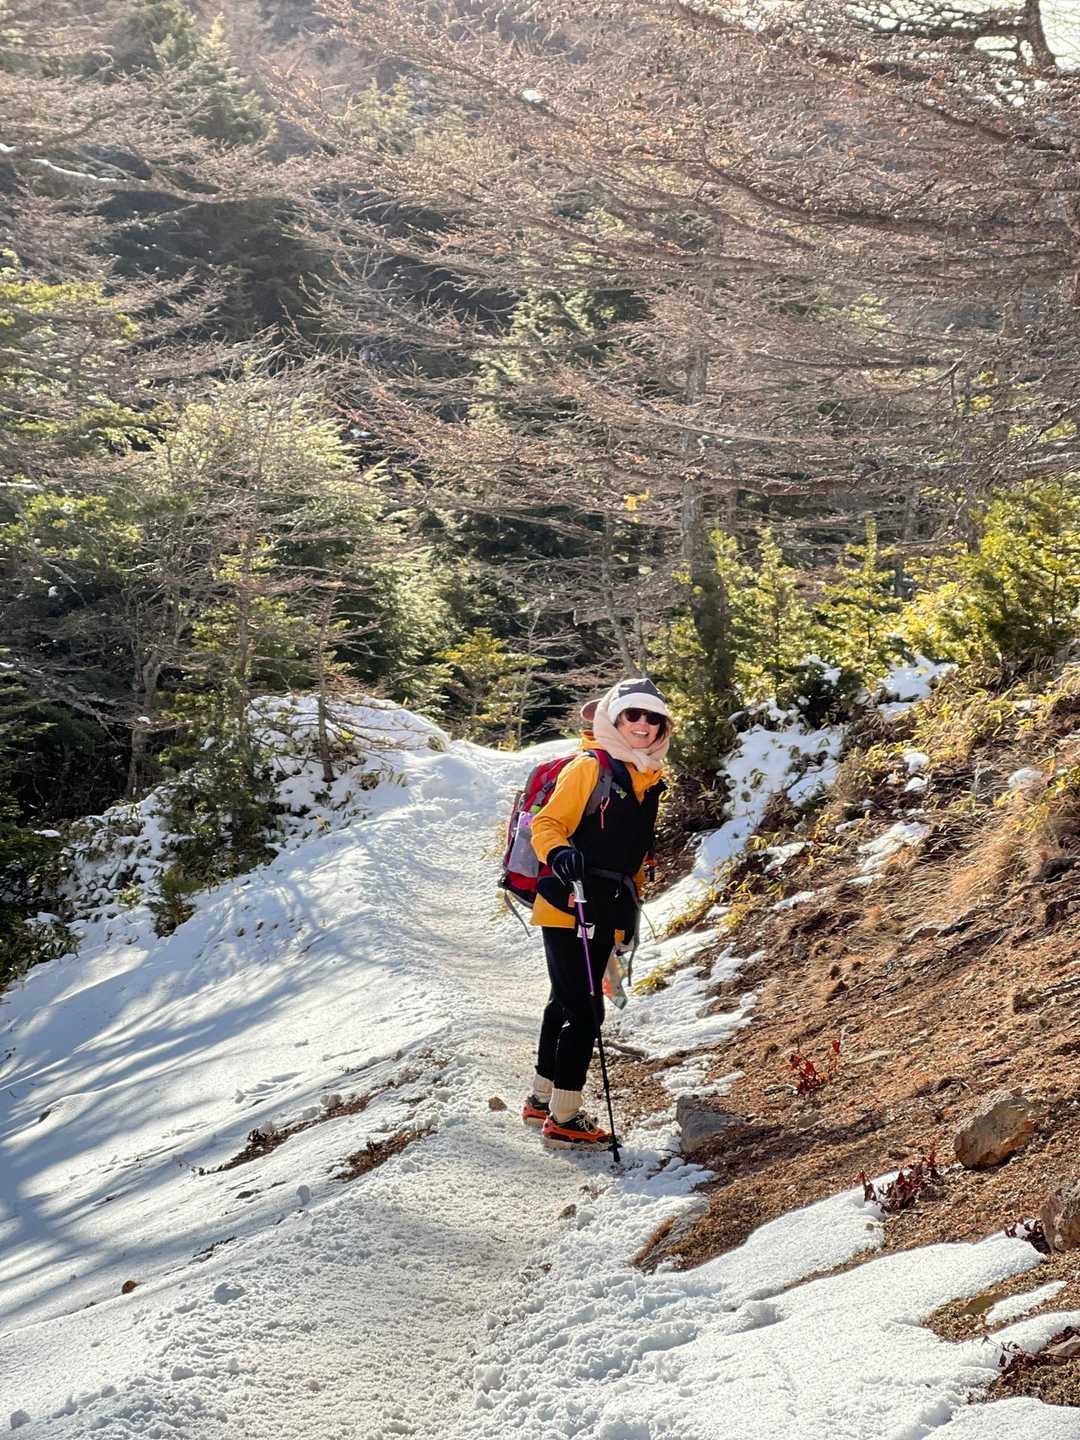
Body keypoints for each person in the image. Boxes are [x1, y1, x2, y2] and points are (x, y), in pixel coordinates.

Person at [522, 678, 671, 1147]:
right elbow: (548, 823)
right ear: (613, 719)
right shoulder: (590, 767)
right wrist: (559, 853)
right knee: (585, 1010)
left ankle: (541, 1100)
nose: (643, 724)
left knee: (564, 1002)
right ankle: (565, 1118)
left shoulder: (648, 778)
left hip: (609, 907)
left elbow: (634, 855)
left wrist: (631, 911)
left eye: (653, 718)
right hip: (569, 900)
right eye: (632, 715)